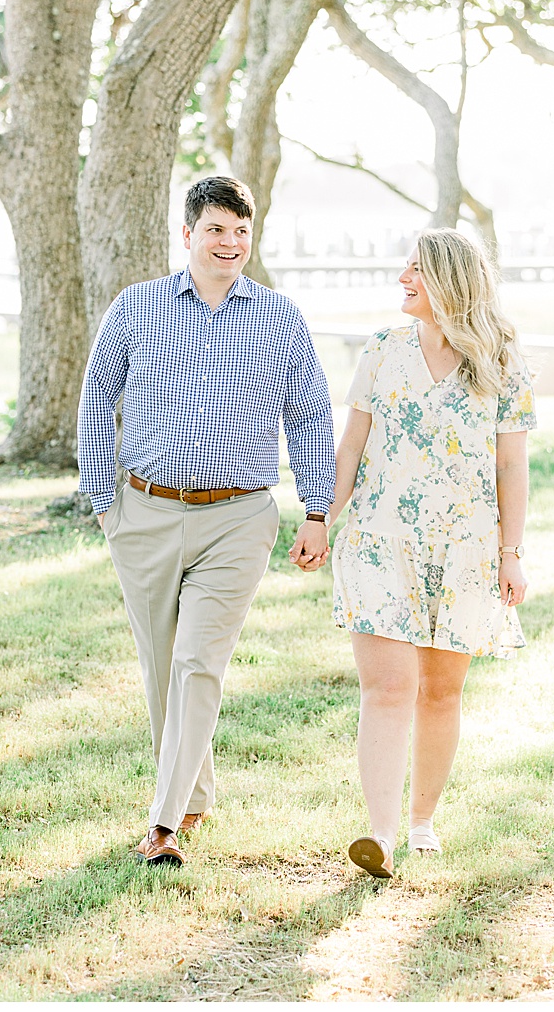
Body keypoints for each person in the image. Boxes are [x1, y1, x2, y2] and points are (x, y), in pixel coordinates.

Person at [79, 175, 334, 867]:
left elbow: (310, 414)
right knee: (163, 667)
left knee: (197, 661)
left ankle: (165, 826)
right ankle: (194, 796)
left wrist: (317, 509)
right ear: (187, 234)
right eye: (217, 229)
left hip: (238, 519)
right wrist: (104, 501)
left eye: (242, 231)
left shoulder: (280, 319)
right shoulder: (136, 308)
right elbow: (97, 396)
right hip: (143, 513)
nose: (230, 243)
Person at [311, 227, 536, 879]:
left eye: (415, 269)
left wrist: (511, 553)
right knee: (388, 687)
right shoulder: (382, 351)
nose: (401, 277)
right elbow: (351, 446)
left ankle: (420, 822)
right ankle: (378, 837)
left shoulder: (501, 357)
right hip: (380, 544)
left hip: (465, 550)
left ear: (448, 280)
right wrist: (322, 517)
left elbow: (512, 466)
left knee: (439, 693)